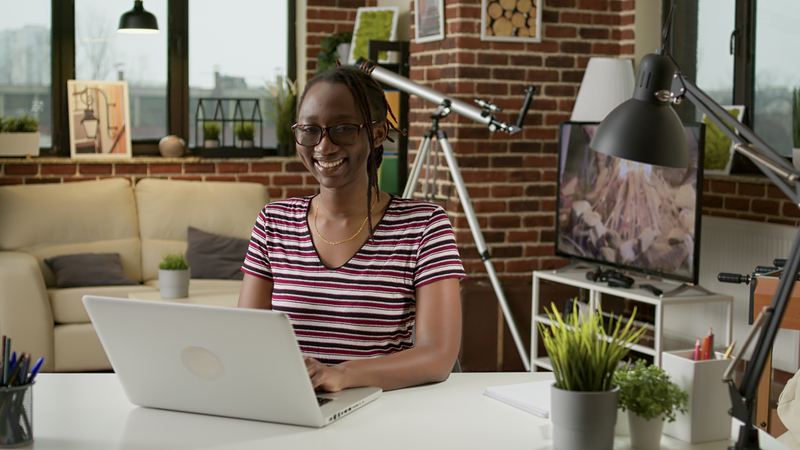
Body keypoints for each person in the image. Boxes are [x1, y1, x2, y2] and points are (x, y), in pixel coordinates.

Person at [238, 62, 466, 393]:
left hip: (380, 411)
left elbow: (438, 356)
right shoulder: (274, 222)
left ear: (376, 133)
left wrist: (341, 375)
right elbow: (247, 338)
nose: (323, 147)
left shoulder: (424, 226)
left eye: (343, 129)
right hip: (292, 405)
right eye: (309, 129)